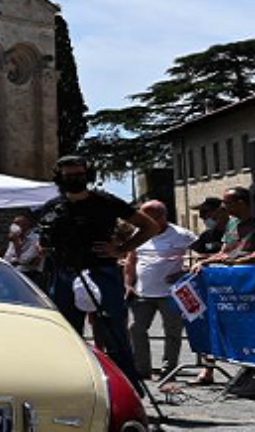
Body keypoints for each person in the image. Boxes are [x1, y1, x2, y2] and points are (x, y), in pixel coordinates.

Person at [34, 156, 162, 382]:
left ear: (88, 175)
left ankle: (127, 385)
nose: (74, 179)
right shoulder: (52, 207)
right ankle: (72, 383)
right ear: (60, 178)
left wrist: (122, 249)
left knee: (114, 332)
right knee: (66, 332)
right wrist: (44, 248)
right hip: (63, 273)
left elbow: (149, 226)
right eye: (69, 176)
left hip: (101, 272)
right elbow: (42, 241)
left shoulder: (107, 202)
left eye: (79, 175)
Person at [124, 201, 193, 380]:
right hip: (142, 292)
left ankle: (169, 368)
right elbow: (131, 261)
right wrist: (128, 284)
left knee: (172, 331)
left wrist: (183, 272)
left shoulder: (182, 235)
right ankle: (142, 368)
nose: (142, 220)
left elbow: (196, 258)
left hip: (170, 293)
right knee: (136, 329)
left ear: (162, 216)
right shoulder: (139, 234)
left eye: (148, 217)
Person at [200, 187, 255, 266]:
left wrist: (238, 261)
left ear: (240, 203)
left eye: (226, 202)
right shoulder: (231, 223)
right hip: (235, 272)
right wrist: (203, 262)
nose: (222, 206)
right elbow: (223, 253)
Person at [2, 214, 44, 286]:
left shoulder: (35, 239)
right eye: (13, 223)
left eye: (17, 223)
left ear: (26, 225)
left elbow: (23, 260)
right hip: (14, 273)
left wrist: (16, 243)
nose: (13, 226)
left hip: (30, 275)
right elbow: (7, 258)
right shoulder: (16, 237)